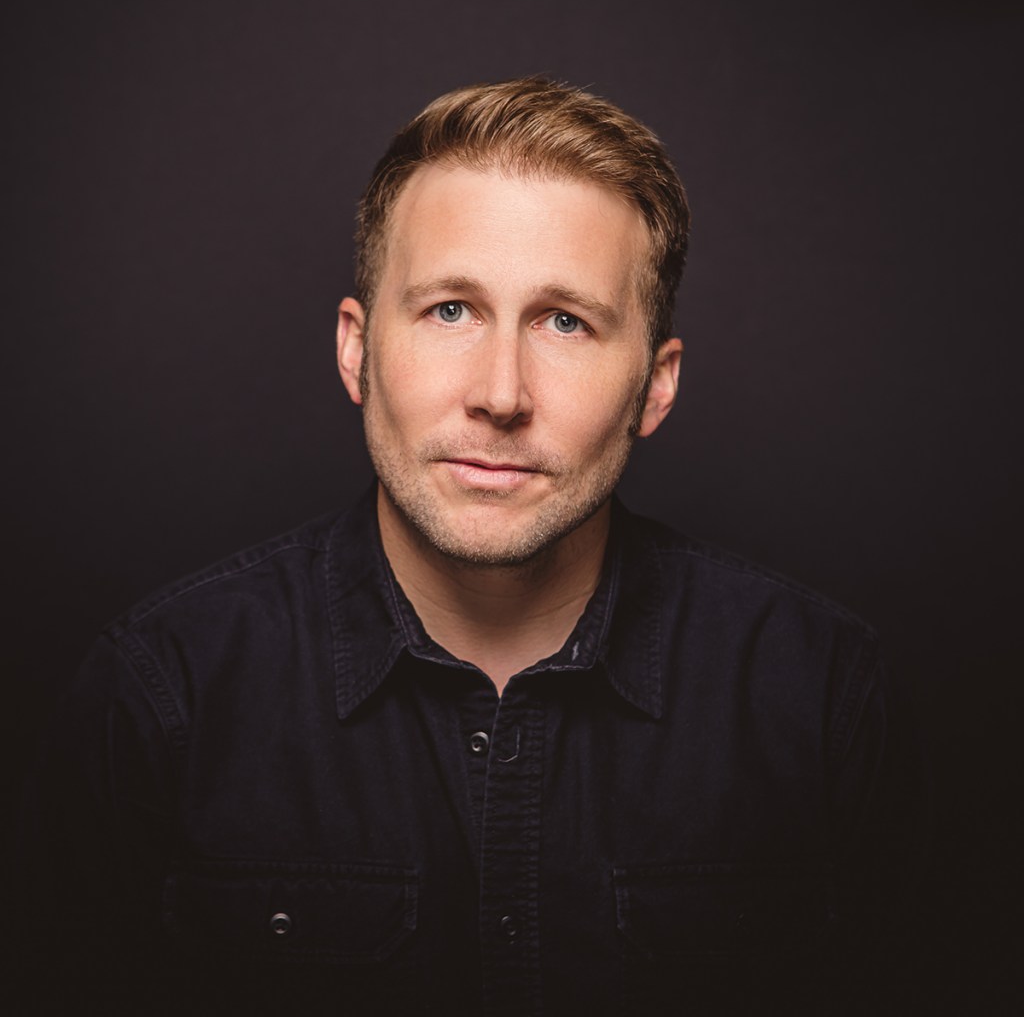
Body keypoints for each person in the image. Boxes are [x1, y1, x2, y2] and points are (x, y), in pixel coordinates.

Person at [19, 77, 925, 1015]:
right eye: (451, 309)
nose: (500, 394)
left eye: (565, 322)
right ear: (356, 350)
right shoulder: (161, 695)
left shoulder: (822, 695)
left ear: (655, 387)